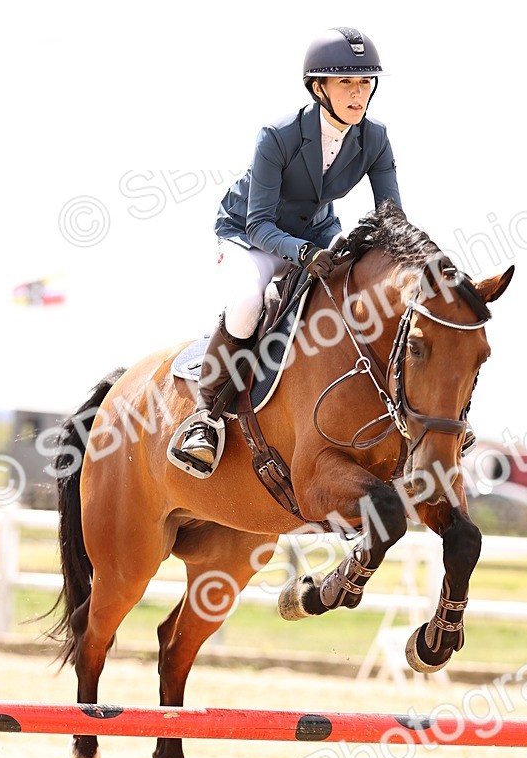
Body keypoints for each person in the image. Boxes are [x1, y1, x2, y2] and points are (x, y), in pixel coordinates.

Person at [171, 25, 403, 474]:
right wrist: (302, 256)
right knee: (247, 301)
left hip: (318, 234)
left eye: (365, 82)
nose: (358, 94)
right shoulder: (276, 136)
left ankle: (410, 406)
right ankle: (206, 416)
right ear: (319, 88)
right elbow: (260, 223)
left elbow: (391, 215)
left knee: (366, 286)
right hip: (249, 235)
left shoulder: (374, 137)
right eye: (346, 83)